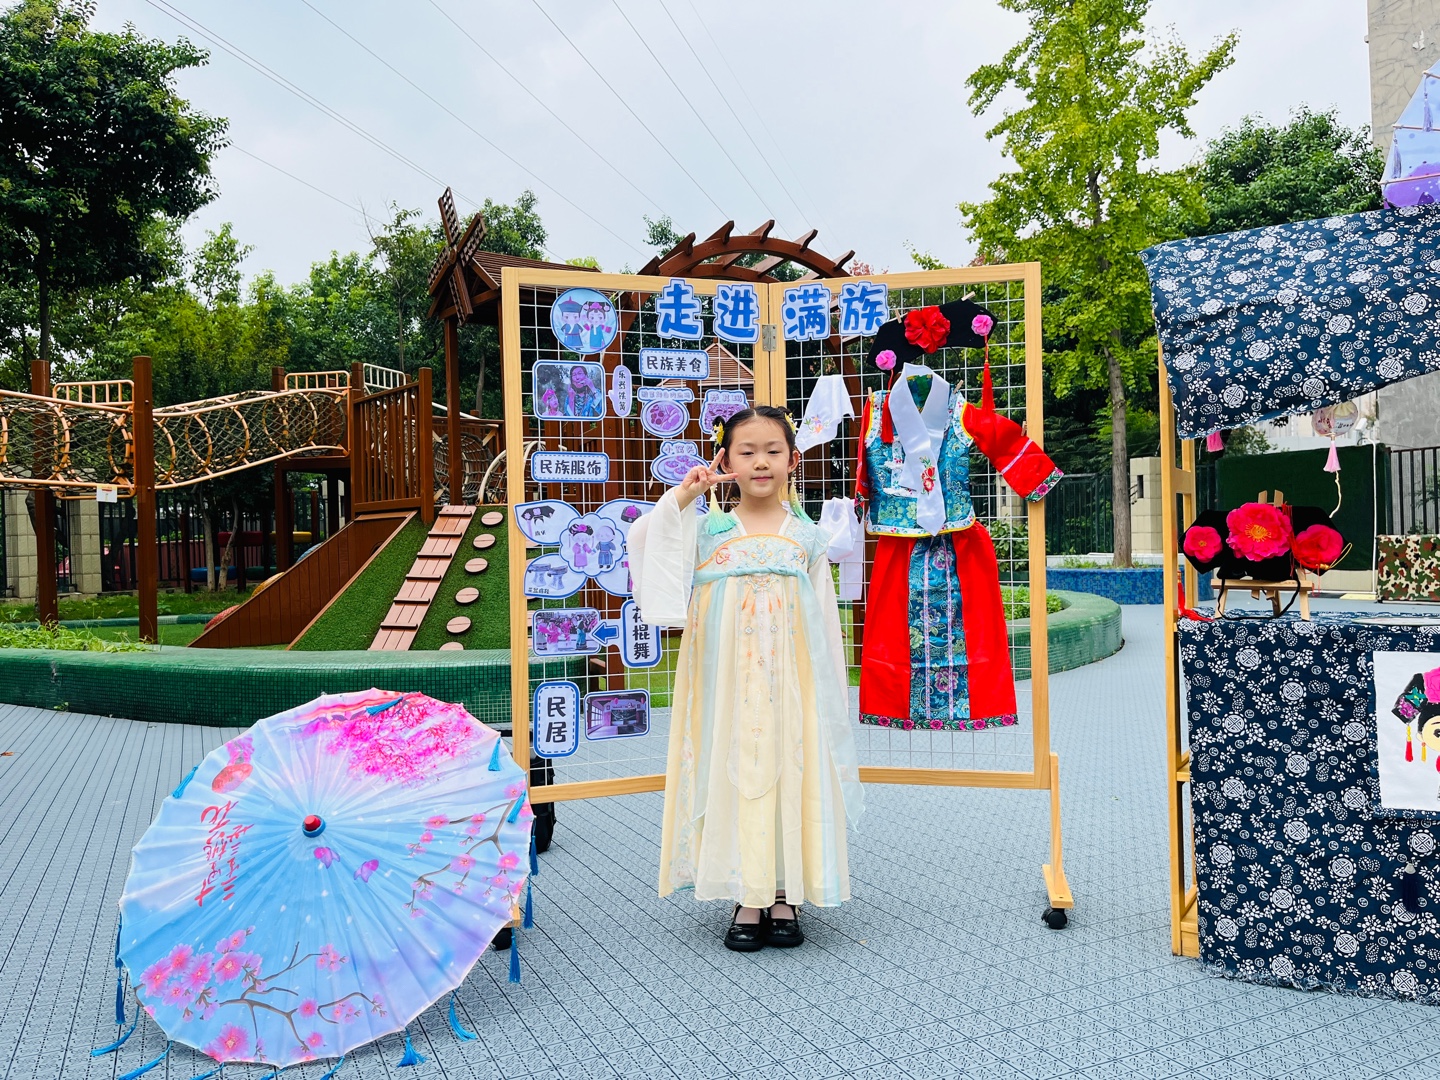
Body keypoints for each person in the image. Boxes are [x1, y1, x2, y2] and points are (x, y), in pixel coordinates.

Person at [629, 405, 863, 952]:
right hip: (725, 683)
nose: (761, 462)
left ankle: (784, 893)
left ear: (793, 460)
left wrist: (828, 691)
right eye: (747, 451)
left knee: (790, 770)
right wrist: (684, 495)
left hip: (792, 684)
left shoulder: (807, 536)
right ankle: (746, 894)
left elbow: (825, 620)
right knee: (732, 770)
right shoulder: (705, 529)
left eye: (773, 451)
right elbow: (644, 541)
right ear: (725, 460)